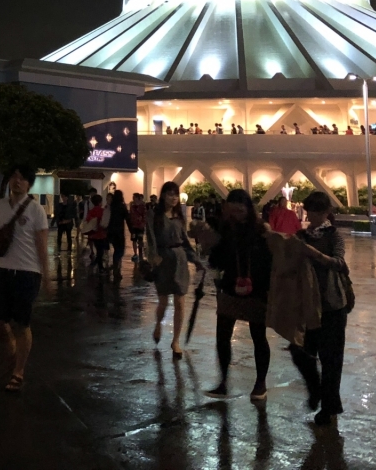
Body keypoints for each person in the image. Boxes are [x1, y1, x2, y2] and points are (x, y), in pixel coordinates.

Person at [0, 165, 51, 392]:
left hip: (28, 272)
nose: (17, 181)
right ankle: (10, 346)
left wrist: (47, 276)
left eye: (22, 178)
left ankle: (18, 372)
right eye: (14, 177)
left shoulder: (36, 210)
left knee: (21, 324)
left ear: (29, 184)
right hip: (2, 270)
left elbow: (42, 246)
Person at [205, 189, 273, 401]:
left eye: (240, 210)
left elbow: (270, 260)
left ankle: (260, 383)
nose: (236, 215)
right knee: (222, 336)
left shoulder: (261, 230)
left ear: (248, 209)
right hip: (230, 286)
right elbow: (216, 258)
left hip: (257, 289)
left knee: (258, 336)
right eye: (232, 210)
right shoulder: (224, 229)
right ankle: (223, 381)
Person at [289, 192, 350, 427]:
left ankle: (329, 407)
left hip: (332, 304)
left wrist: (313, 253)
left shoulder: (335, 236)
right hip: (306, 305)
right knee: (299, 351)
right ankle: (315, 389)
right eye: (309, 211)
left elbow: (339, 263)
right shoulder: (301, 235)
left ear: (326, 213)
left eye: (317, 212)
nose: (312, 216)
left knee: (331, 359)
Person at [147, 182, 203, 358]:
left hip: (179, 261)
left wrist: (196, 260)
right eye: (170, 194)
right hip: (163, 260)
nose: (173, 198)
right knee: (163, 301)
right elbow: (150, 239)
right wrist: (154, 258)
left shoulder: (179, 215)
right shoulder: (153, 215)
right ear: (163, 195)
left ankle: (176, 341)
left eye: (176, 195)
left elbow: (185, 241)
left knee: (180, 302)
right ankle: (158, 325)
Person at [107, 190, 130, 279]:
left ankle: (116, 268)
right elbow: (127, 219)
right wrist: (132, 232)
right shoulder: (122, 206)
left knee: (116, 250)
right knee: (120, 250)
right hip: (119, 232)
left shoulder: (111, 206)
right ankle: (116, 268)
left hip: (111, 231)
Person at [83, 194, 109, 270]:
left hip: (93, 234)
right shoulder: (102, 211)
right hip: (102, 234)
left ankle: (99, 266)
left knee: (98, 250)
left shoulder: (91, 211)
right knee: (100, 252)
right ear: (100, 202)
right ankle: (97, 266)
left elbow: (87, 220)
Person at [128, 193, 148, 263]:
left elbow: (145, 215)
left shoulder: (142, 206)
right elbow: (130, 215)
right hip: (134, 226)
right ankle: (135, 253)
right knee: (134, 240)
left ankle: (140, 253)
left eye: (134, 197)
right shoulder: (132, 206)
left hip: (140, 226)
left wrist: (143, 223)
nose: (133, 198)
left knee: (140, 239)